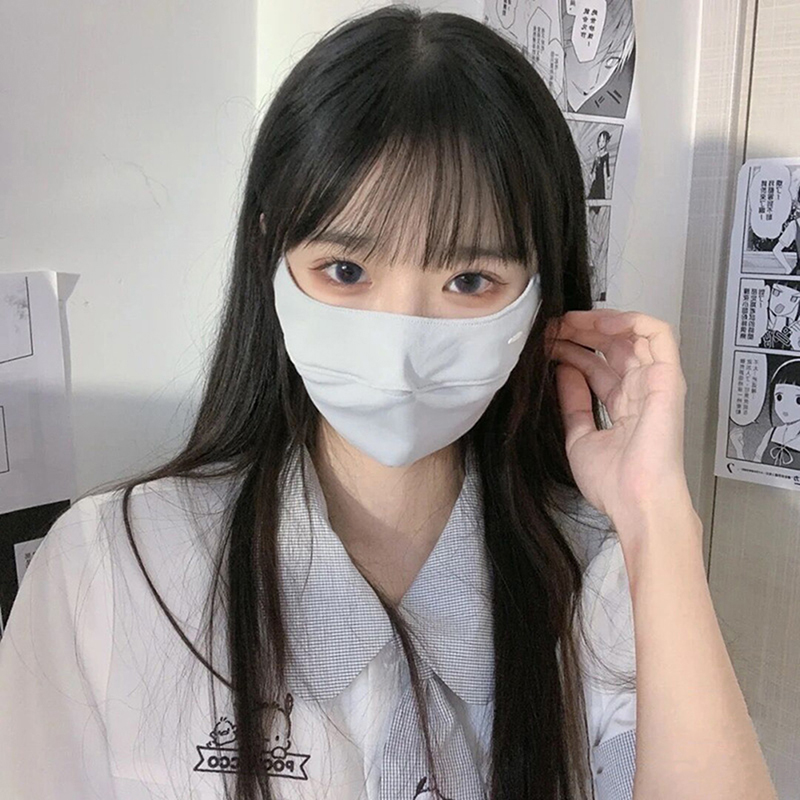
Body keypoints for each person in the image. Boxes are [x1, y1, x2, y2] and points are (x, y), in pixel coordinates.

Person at [0, 6, 778, 800]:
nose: (400, 341)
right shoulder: (110, 568)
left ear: (540, 293)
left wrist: (658, 518)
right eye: (346, 271)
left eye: (469, 280)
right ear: (272, 254)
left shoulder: (603, 582)